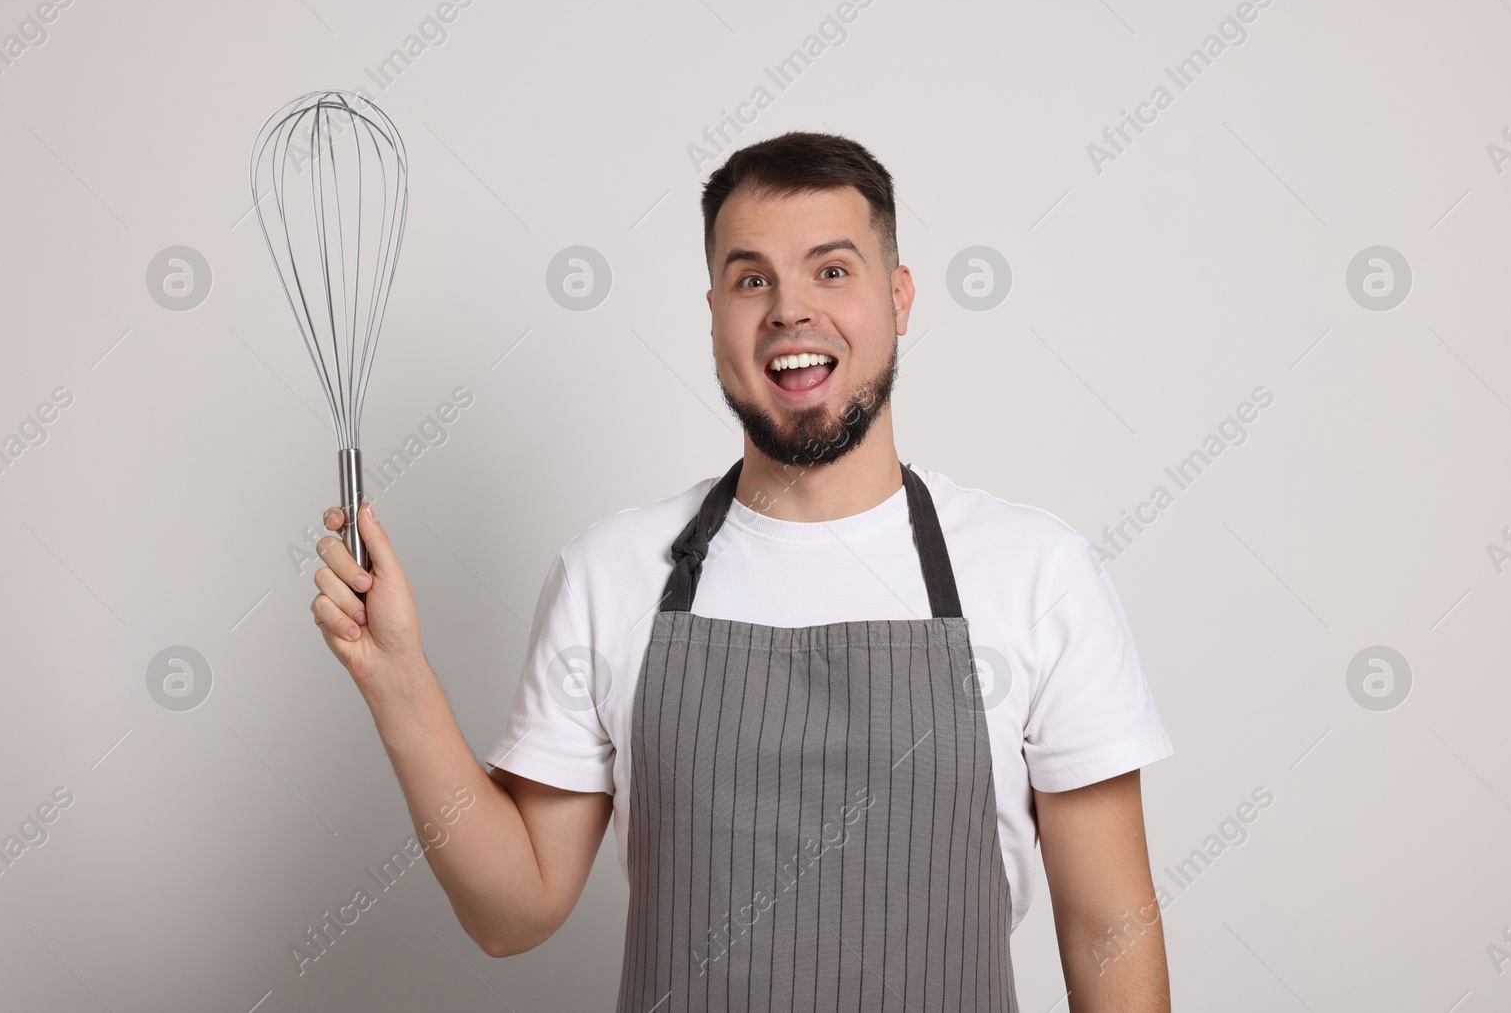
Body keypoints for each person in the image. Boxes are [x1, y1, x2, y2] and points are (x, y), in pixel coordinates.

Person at [310, 131, 1175, 1011]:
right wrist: (398, 679)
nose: (790, 310)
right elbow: (513, 909)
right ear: (716, 310)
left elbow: (1109, 929)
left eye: (832, 270)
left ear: (900, 296)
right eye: (752, 278)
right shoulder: (610, 574)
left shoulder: (1037, 573)